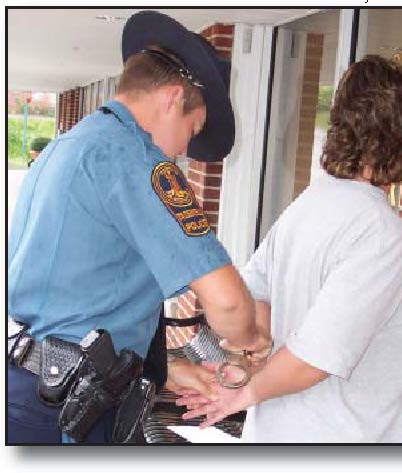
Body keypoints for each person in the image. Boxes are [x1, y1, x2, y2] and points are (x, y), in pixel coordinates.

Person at [7, 11, 270, 444]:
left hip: (31, 386)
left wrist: (167, 369)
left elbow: (83, 300)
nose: (185, 149)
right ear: (171, 98)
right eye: (193, 128)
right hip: (61, 413)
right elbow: (227, 303)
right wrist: (252, 341)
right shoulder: (136, 161)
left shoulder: (68, 146)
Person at [178, 55, 402, 443]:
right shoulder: (382, 235)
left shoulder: (309, 204)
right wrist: (243, 394)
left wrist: (254, 348)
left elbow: (252, 295)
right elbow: (315, 358)